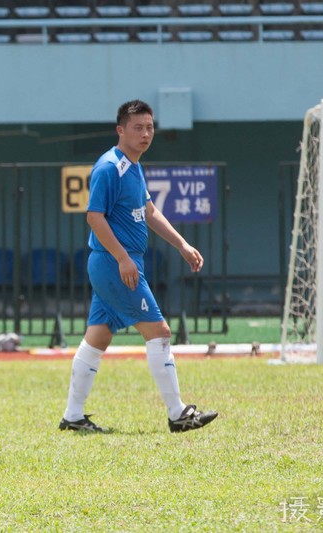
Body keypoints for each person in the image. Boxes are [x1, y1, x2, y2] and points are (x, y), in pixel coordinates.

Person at [59, 99, 217, 433]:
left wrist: (182, 245)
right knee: (160, 332)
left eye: (149, 127)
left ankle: (72, 417)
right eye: (138, 128)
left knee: (97, 339)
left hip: (116, 264)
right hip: (114, 264)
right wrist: (122, 258)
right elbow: (94, 217)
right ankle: (178, 414)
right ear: (120, 130)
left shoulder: (134, 166)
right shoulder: (109, 167)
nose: (145, 134)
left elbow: (149, 212)